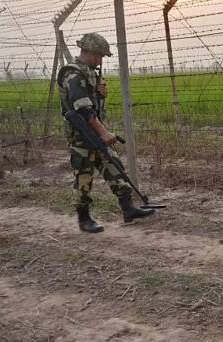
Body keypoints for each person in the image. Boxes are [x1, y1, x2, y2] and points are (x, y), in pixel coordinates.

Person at [58, 33, 155, 233]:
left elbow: (92, 104)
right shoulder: (73, 74)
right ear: (89, 52)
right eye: (99, 56)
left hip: (94, 131)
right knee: (84, 178)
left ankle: (128, 210)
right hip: (81, 135)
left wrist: (99, 94)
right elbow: (83, 109)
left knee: (114, 166)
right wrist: (104, 133)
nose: (101, 60)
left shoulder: (90, 73)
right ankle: (84, 220)